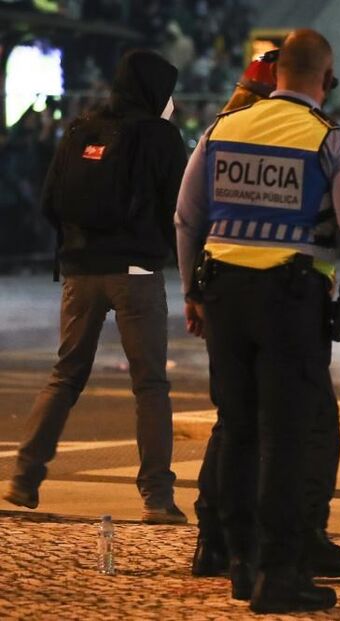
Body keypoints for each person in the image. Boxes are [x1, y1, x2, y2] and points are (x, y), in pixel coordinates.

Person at [175, 29, 340, 613]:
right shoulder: (329, 140)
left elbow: (186, 218)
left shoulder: (221, 129)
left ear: (277, 72)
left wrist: (192, 291)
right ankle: (279, 575)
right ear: (326, 77)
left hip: (223, 298)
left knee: (237, 430)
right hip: (290, 302)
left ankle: (240, 564)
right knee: (286, 439)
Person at [3, 49, 188, 525]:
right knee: (150, 383)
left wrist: (78, 243)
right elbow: (180, 210)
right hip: (137, 271)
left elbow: (49, 200)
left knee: (66, 374)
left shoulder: (81, 128)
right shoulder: (161, 136)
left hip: (80, 269)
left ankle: (25, 476)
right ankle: (157, 497)